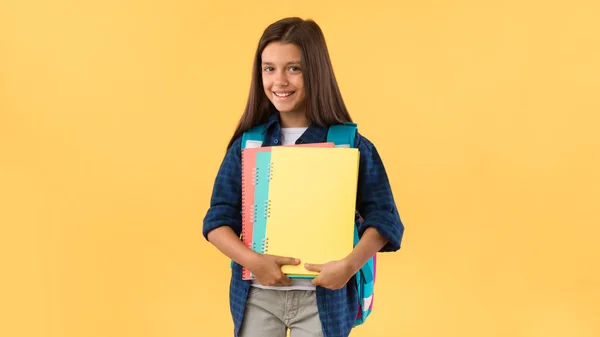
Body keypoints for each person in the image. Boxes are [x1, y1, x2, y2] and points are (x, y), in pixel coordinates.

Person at [203, 17, 404, 337]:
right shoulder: (248, 144)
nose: (279, 80)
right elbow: (216, 222)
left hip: (323, 298)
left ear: (316, 71)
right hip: (258, 296)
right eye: (269, 68)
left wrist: (349, 266)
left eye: (293, 68)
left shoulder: (350, 144)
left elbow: (384, 218)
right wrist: (253, 262)